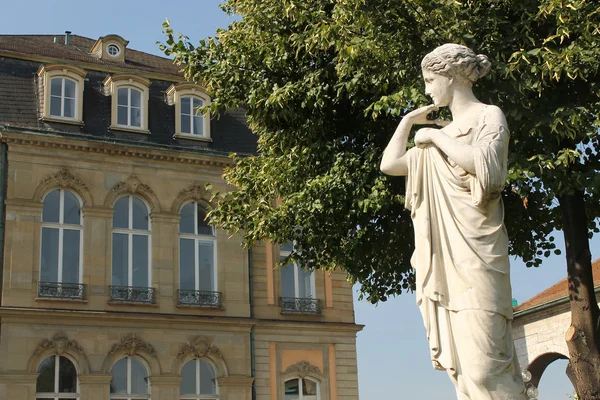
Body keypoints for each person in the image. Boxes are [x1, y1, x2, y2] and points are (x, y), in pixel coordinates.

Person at [380, 44, 527, 400]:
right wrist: (407, 123)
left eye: (431, 79)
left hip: (479, 252)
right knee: (464, 373)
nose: (428, 89)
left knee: (485, 368)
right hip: (446, 259)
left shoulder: (487, 116)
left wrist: (433, 135)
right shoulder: (439, 138)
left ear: (451, 76)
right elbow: (390, 164)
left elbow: (489, 170)